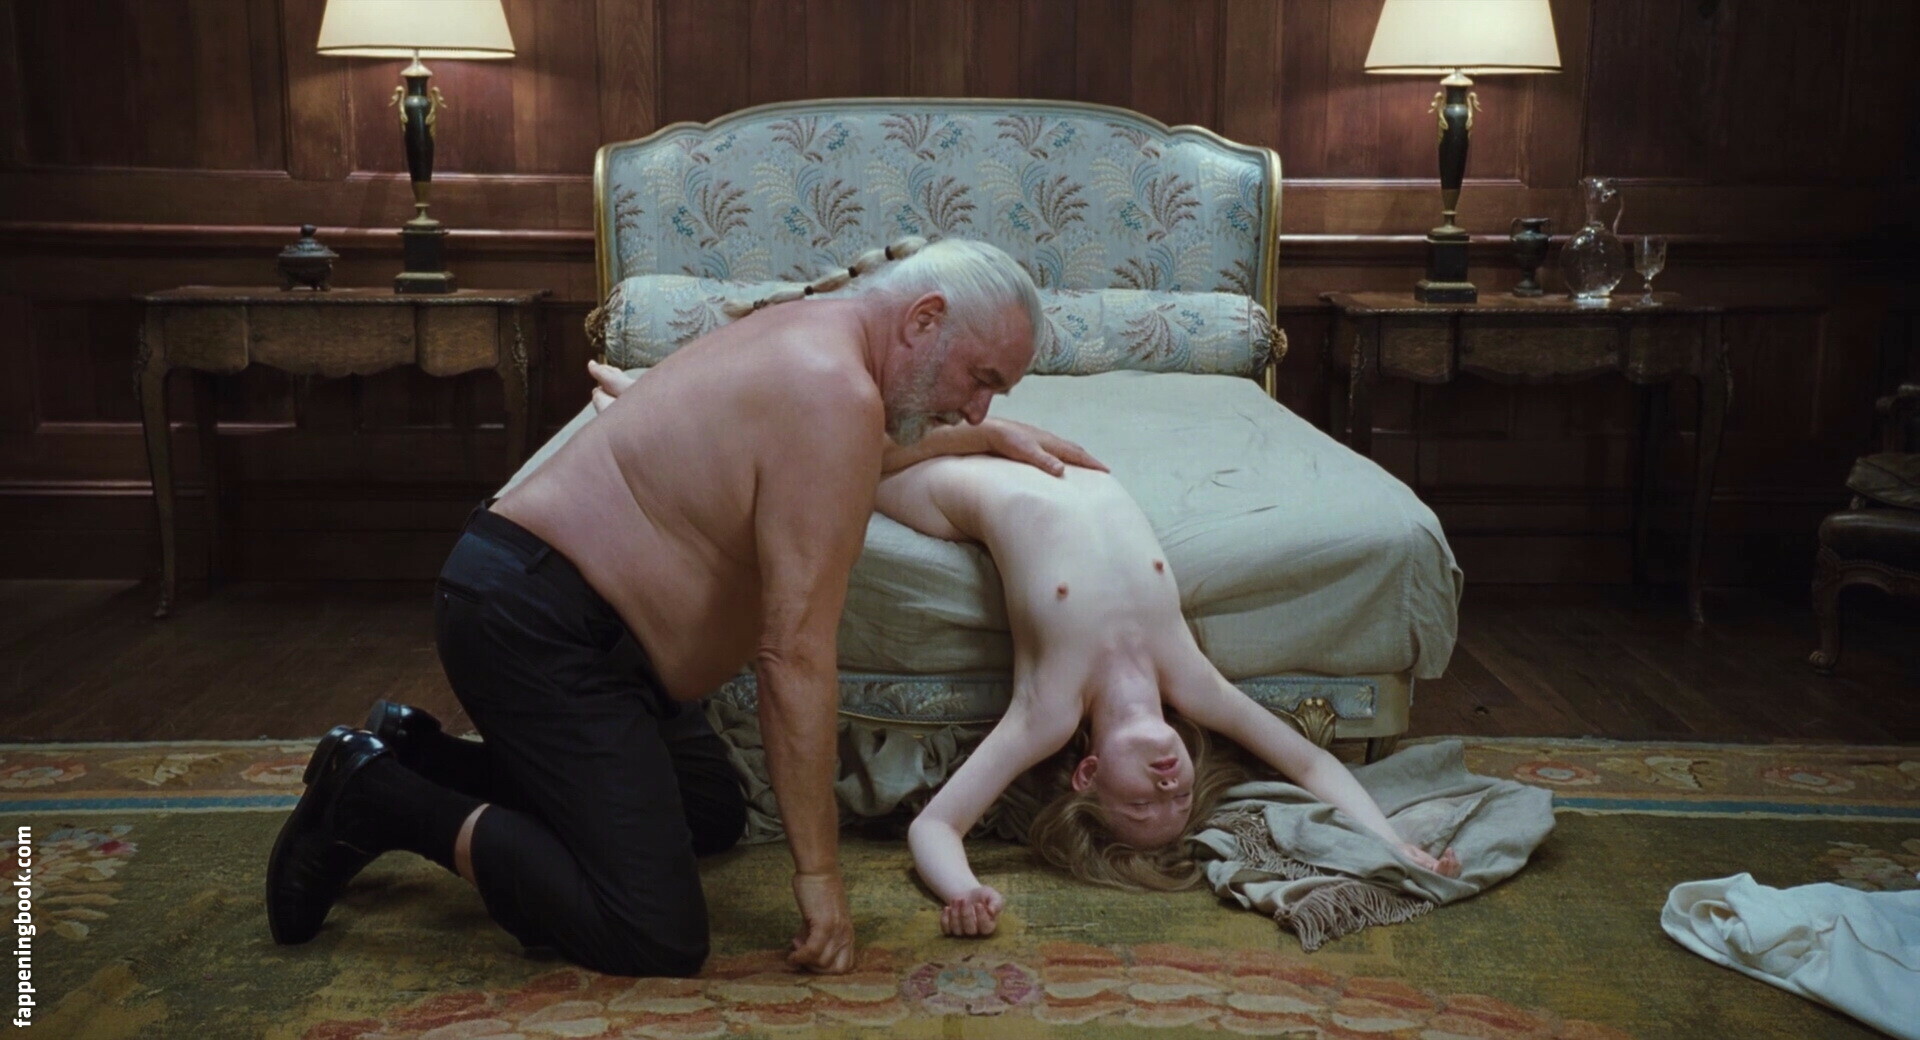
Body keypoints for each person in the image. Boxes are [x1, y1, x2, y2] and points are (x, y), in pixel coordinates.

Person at [263, 236, 1104, 977]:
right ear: (923, 320)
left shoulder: (823, 342)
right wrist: (818, 877)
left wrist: (978, 439)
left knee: (708, 810)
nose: (980, 405)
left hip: (583, 626)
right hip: (535, 624)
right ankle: (377, 794)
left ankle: (416, 752)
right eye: (981, 381)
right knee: (653, 932)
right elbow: (793, 655)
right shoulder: (833, 389)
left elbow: (841, 455)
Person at [583, 367, 1463, 941]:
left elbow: (934, 827)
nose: (1169, 786)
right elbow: (1308, 761)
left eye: (1141, 802)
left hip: (949, 492)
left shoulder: (1051, 708)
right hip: (1035, 454)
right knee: (843, 405)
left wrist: (962, 891)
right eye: (1178, 797)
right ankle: (660, 391)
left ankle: (644, 405)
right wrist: (1395, 844)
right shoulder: (1188, 680)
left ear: (1088, 775)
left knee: (819, 447)